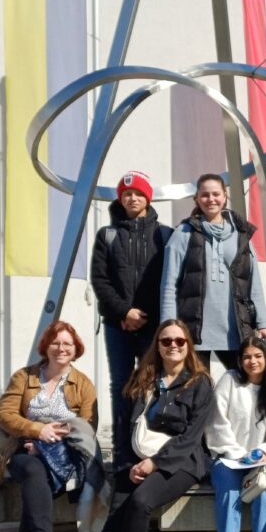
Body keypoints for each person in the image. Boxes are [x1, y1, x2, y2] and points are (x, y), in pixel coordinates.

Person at [48, 320, 213, 532]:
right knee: (117, 514)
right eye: (166, 341)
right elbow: (124, 429)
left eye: (179, 341)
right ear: (157, 346)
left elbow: (190, 438)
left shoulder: (200, 383)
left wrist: (154, 464)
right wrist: (125, 467)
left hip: (182, 462)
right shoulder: (143, 380)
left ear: (188, 346)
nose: (173, 346)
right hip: (136, 459)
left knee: (140, 502)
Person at [0, 321, 99, 532]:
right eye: (56, 343)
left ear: (75, 349)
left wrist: (48, 441)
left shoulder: (83, 384)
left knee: (36, 480)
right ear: (46, 347)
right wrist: (36, 430)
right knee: (32, 470)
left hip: (62, 455)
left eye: (67, 344)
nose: (61, 348)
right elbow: (4, 415)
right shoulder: (24, 377)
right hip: (23, 449)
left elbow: (88, 426)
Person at [91, 170, 172, 467]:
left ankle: (153, 447)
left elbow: (169, 280)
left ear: (147, 198)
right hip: (119, 326)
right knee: (121, 386)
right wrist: (124, 312)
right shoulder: (108, 235)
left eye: (138, 193)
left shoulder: (165, 235)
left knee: (156, 385)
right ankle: (123, 453)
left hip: (153, 326)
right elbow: (100, 281)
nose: (132, 198)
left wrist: (145, 315)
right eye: (127, 194)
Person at [161, 173, 266, 371]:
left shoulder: (240, 233)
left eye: (216, 194)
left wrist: (263, 322)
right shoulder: (183, 234)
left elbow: (253, 282)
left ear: (225, 196)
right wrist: (168, 326)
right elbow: (169, 285)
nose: (211, 199)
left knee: (245, 383)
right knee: (196, 387)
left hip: (236, 330)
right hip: (193, 332)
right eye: (205, 195)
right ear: (197, 199)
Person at [206, 336, 266, 532]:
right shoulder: (229, 380)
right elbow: (217, 421)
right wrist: (237, 453)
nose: (253, 361)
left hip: (263, 457)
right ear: (240, 360)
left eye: (258, 356)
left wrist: (265, 452)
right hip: (229, 456)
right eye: (247, 356)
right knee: (228, 489)